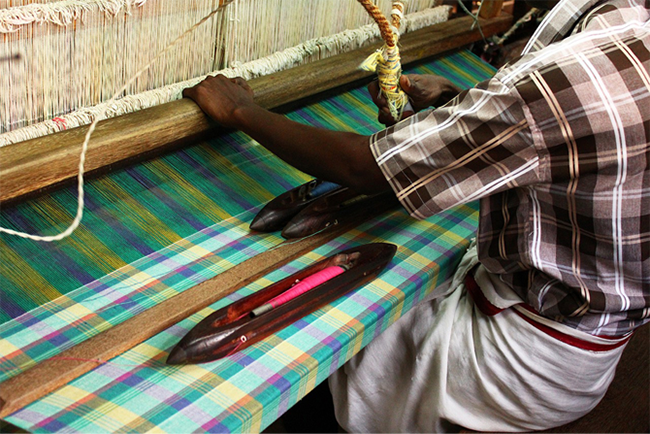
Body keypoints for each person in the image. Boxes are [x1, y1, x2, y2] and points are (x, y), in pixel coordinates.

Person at [183, 0, 649, 431]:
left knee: (297, 358)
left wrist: (241, 111)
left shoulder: (585, 73)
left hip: (516, 356)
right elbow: (577, 141)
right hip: (593, 343)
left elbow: (364, 167)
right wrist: (464, 104)